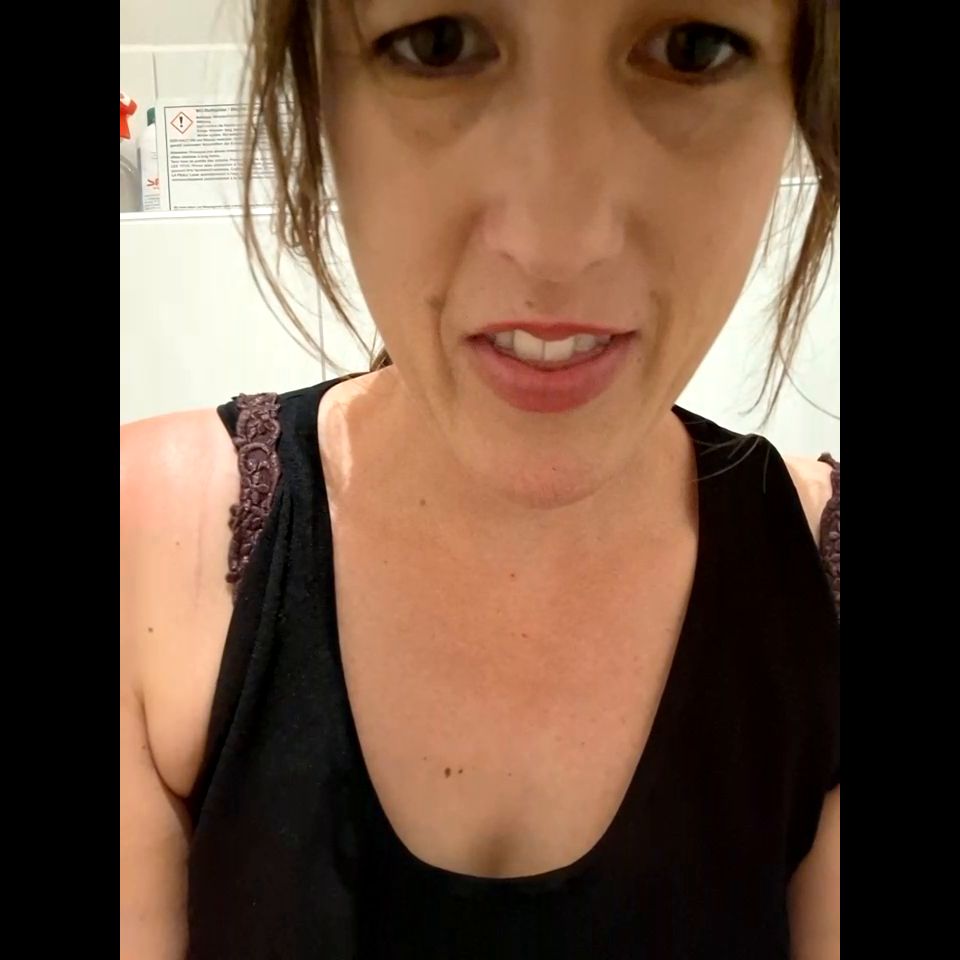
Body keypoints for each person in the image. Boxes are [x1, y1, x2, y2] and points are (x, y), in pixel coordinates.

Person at [120, 1, 840, 957]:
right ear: (318, 93)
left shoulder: (824, 582)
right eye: (440, 45)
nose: (556, 244)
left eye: (691, 49)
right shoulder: (148, 547)